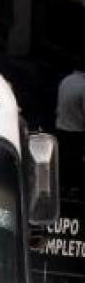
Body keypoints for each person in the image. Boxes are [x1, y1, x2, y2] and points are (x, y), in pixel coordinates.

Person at [56, 64, 85, 193]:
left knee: (63, 158)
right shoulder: (84, 85)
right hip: (77, 130)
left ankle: (61, 186)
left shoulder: (66, 80)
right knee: (75, 160)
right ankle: (74, 188)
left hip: (61, 126)